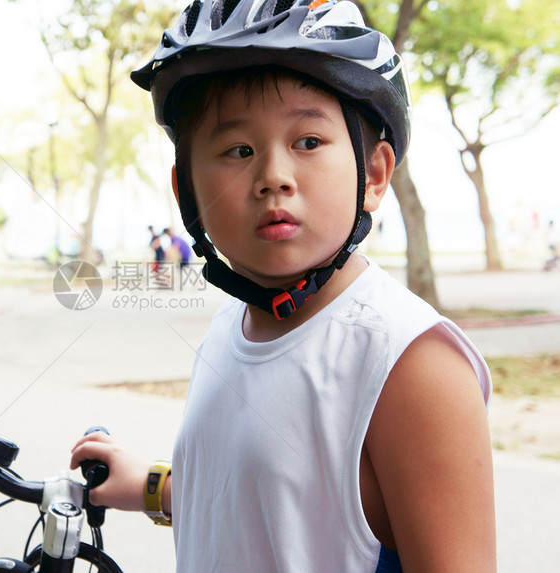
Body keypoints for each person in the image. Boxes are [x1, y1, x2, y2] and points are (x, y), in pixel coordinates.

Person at [70, 1, 495, 571]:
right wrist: (149, 486)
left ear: (373, 175)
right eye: (238, 150)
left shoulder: (411, 365)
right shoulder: (233, 324)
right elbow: (270, 502)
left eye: (308, 142)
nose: (274, 176)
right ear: (186, 193)